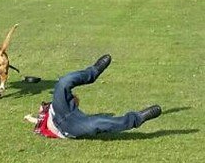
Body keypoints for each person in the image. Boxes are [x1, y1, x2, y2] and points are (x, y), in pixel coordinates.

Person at [24, 55, 162, 138]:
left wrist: (40, 113)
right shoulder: (43, 123)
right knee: (97, 123)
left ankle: (93, 71)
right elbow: (35, 121)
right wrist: (30, 118)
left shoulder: (50, 107)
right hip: (68, 127)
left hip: (61, 109)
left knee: (63, 82)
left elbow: (68, 100)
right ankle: (138, 118)